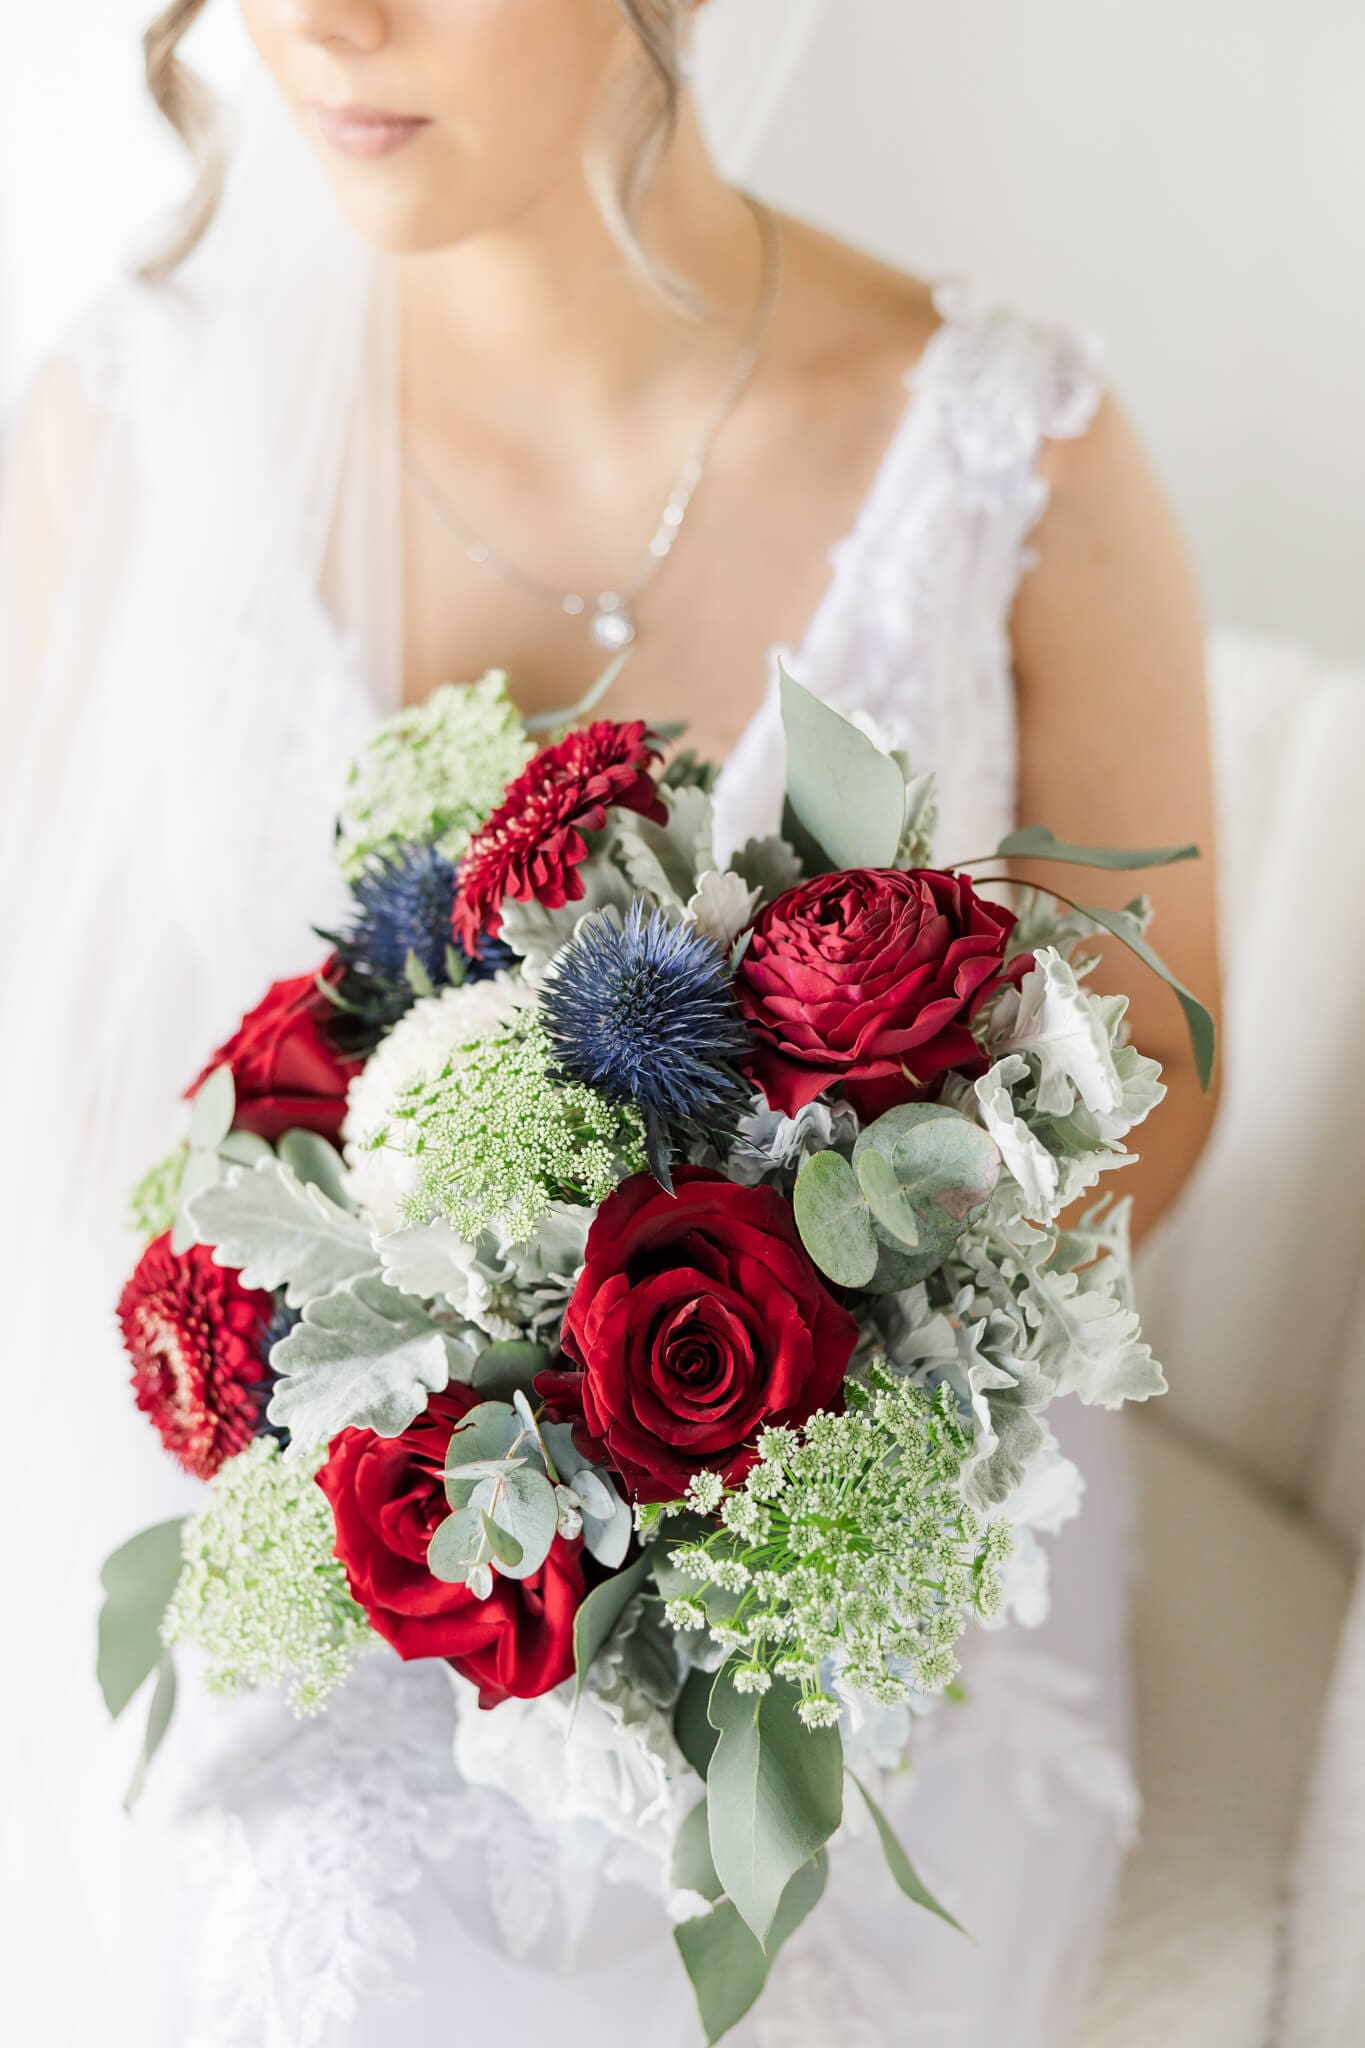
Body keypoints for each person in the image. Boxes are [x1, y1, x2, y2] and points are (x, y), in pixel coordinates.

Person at [0, 5, 1220, 2045]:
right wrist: (387, 1394)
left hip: (833, 1526)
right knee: (305, 1926)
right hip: (272, 1506)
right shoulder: (119, 428)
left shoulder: (1012, 452)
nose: (323, 23)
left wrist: (775, 1390)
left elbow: (1157, 1088)